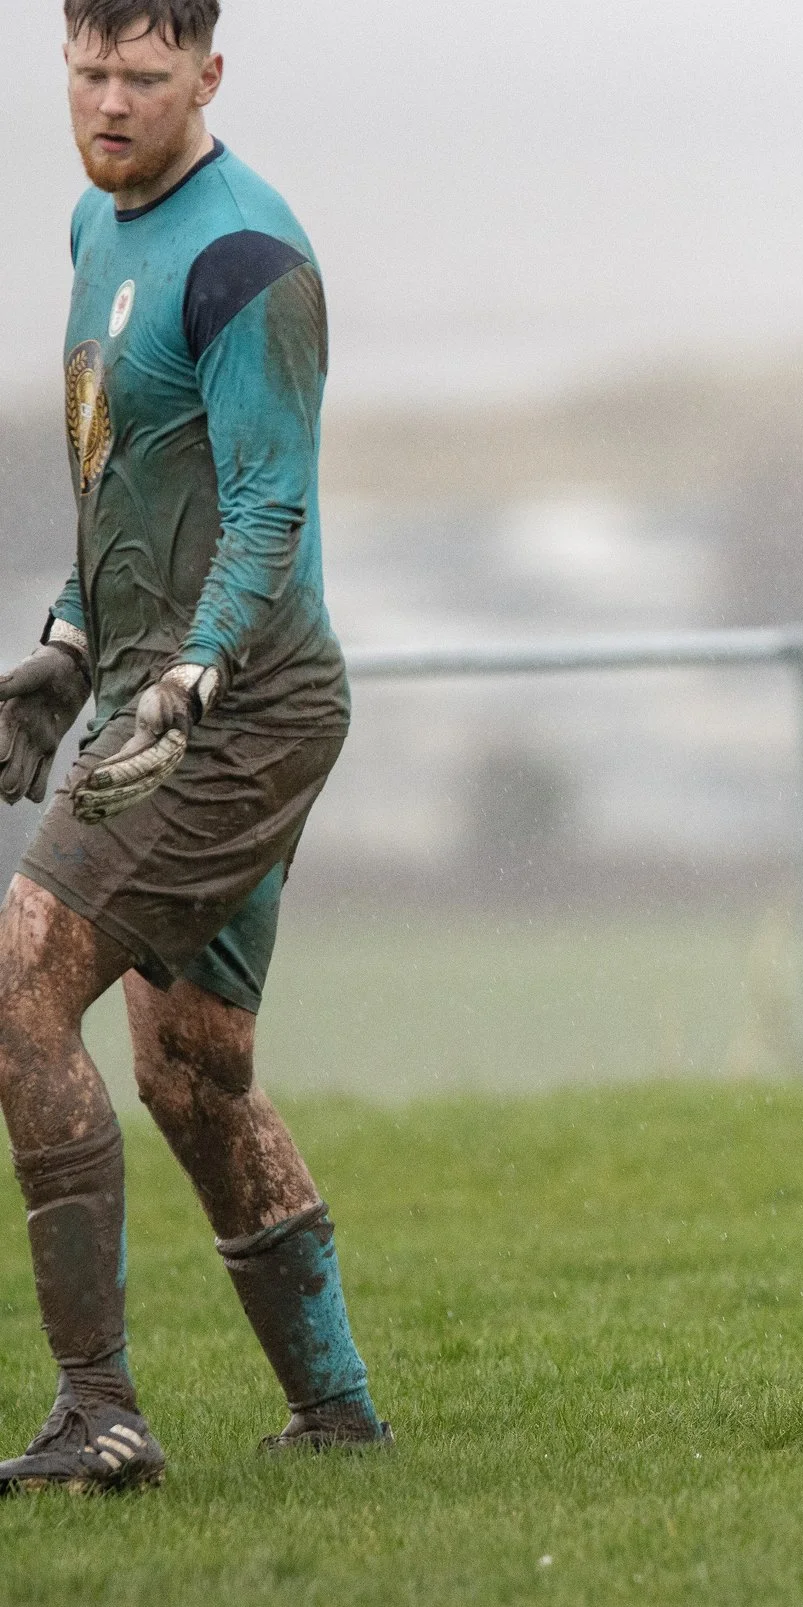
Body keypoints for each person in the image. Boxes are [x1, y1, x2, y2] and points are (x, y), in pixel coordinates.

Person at [0, 0, 388, 1494]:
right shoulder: (101, 230)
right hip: (167, 689)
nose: (109, 103)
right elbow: (128, 486)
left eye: (144, 78)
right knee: (194, 1072)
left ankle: (98, 1409)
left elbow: (270, 506)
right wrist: (74, 643)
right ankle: (339, 1413)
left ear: (208, 76)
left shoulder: (248, 258)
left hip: (240, 709)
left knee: (21, 986)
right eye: (89, 71)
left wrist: (186, 681)